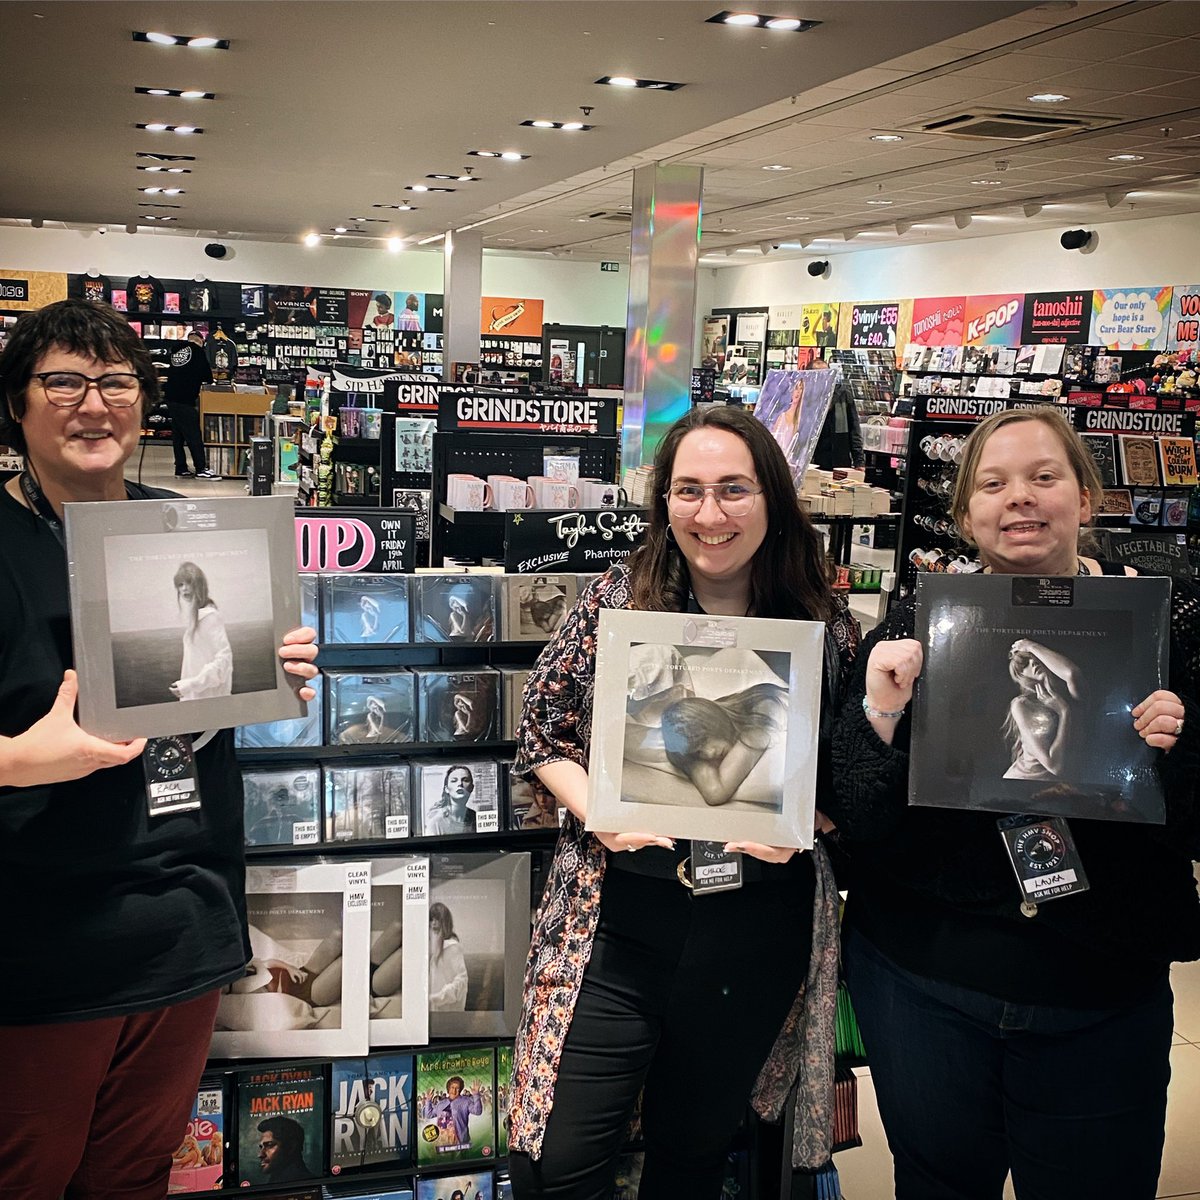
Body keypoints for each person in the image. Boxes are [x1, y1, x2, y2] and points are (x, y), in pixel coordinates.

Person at [827, 405, 1199, 1200]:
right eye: (993, 485)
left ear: (1087, 498)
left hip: (1099, 992)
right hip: (924, 982)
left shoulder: (1167, 624)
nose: (1018, 499)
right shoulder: (918, 624)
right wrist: (881, 715)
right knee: (936, 1182)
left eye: (1043, 477)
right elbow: (858, 815)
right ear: (965, 514)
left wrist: (1181, 748)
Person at [0, 298, 319, 1200]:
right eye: (62, 382)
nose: (93, 405)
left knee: (136, 1177)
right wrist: (27, 758)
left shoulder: (195, 532)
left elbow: (214, 692)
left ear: (146, 405)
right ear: (18, 405)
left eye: (115, 383)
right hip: (41, 947)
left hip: (183, 924)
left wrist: (275, 670)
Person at [506, 404, 859, 1199]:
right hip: (621, 929)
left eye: (734, 489)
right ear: (663, 501)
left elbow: (844, 782)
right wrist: (601, 806)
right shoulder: (616, 601)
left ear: (773, 497)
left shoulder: (821, 623)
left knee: (695, 1156)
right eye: (688, 490)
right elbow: (541, 733)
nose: (710, 513)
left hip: (751, 939)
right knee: (556, 1163)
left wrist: (802, 824)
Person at [1003, 638, 1081, 780]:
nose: (1033, 662)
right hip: (1024, 781)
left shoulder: (1069, 694)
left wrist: (1031, 646)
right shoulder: (1022, 704)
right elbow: (1055, 766)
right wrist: (1064, 712)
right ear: (1021, 675)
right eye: (1024, 664)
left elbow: (1072, 673)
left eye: (1034, 657)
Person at [170, 561, 233, 700]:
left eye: (189, 583)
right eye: (180, 584)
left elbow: (224, 660)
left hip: (208, 700)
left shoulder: (210, 617)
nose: (184, 589)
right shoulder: (198, 617)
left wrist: (191, 684)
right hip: (198, 699)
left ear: (198, 585)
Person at [164, 329, 216, 479]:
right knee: (194, 434)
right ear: (201, 341)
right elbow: (208, 377)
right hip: (185, 398)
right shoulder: (198, 352)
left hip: (171, 397)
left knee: (178, 435)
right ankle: (201, 468)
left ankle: (181, 468)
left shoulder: (177, 351)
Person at [810, 357, 864, 471]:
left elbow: (854, 429)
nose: (825, 378)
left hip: (840, 460)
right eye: (820, 375)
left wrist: (859, 461)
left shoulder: (843, 395)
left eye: (828, 374)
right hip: (814, 460)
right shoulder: (806, 397)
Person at [429, 901, 469, 1012]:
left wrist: (437, 997)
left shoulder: (452, 947)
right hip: (434, 1010)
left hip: (446, 1011)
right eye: (431, 919)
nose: (434, 923)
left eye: (437, 919)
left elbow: (461, 981)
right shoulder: (433, 947)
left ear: (445, 921)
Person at [256, 1116, 313, 1183]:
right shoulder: (277, 1180)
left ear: (291, 1147)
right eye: (261, 1147)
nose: (260, 1155)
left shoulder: (303, 1181)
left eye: (269, 1145)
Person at [426, 765, 477, 834]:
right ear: (446, 789)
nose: (460, 784)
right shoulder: (436, 823)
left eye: (465, 780)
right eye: (454, 781)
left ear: (472, 787)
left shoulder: (476, 818)